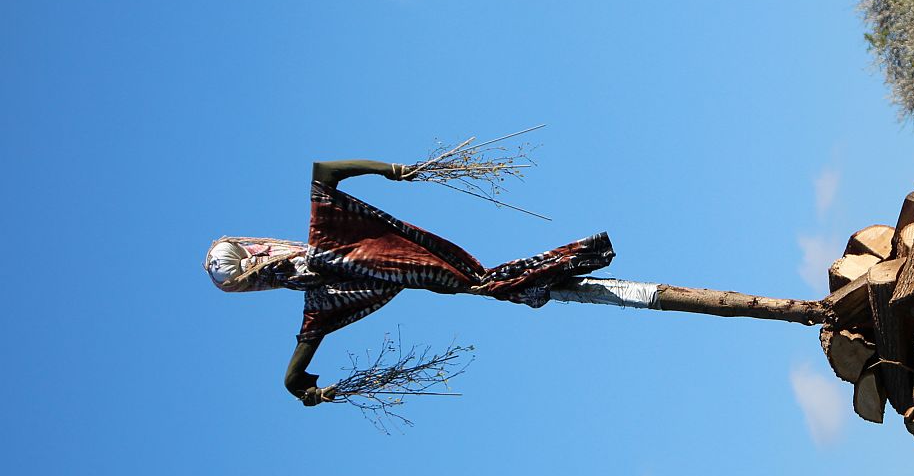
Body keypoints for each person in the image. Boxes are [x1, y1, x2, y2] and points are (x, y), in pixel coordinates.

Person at [205, 159, 613, 405]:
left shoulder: (321, 286)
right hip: (427, 263)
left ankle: (573, 260)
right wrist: (392, 172)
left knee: (482, 284)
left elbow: (296, 369)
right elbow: (325, 172)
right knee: (482, 282)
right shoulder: (324, 255)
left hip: (429, 267)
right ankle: (568, 263)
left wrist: (303, 390)